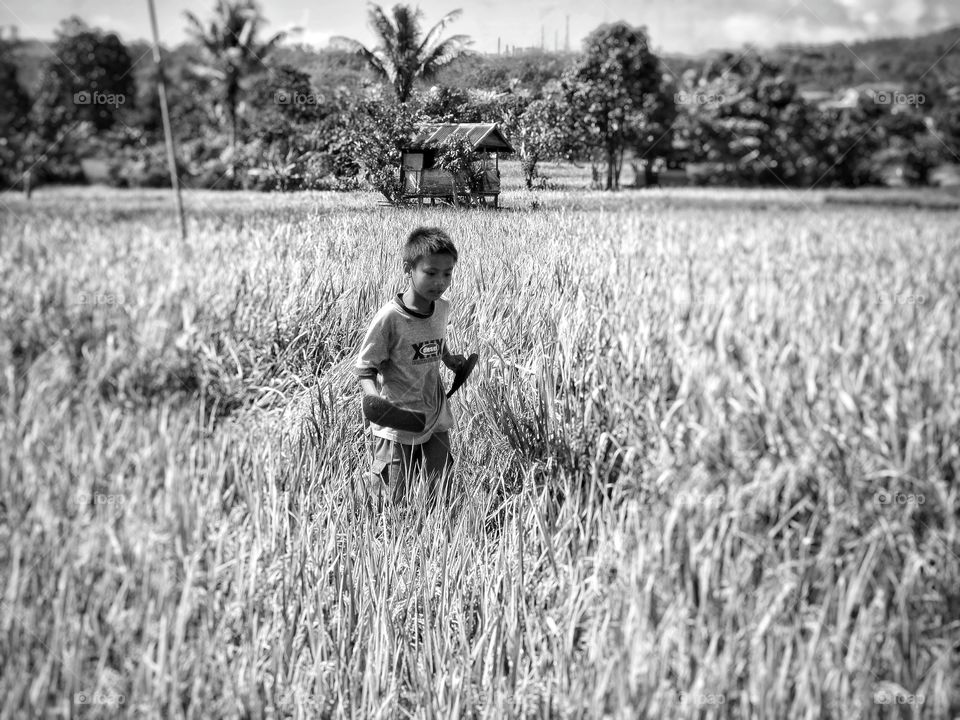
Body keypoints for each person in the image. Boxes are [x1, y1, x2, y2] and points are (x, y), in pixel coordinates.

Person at [355, 226, 469, 506]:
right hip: (399, 418)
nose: (440, 282)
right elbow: (365, 367)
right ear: (409, 268)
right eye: (431, 273)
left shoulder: (441, 308)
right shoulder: (390, 318)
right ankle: (374, 529)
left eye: (447, 273)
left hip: (434, 412)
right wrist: (373, 398)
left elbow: (435, 340)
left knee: (440, 487)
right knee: (389, 496)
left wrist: (449, 359)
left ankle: (435, 533)